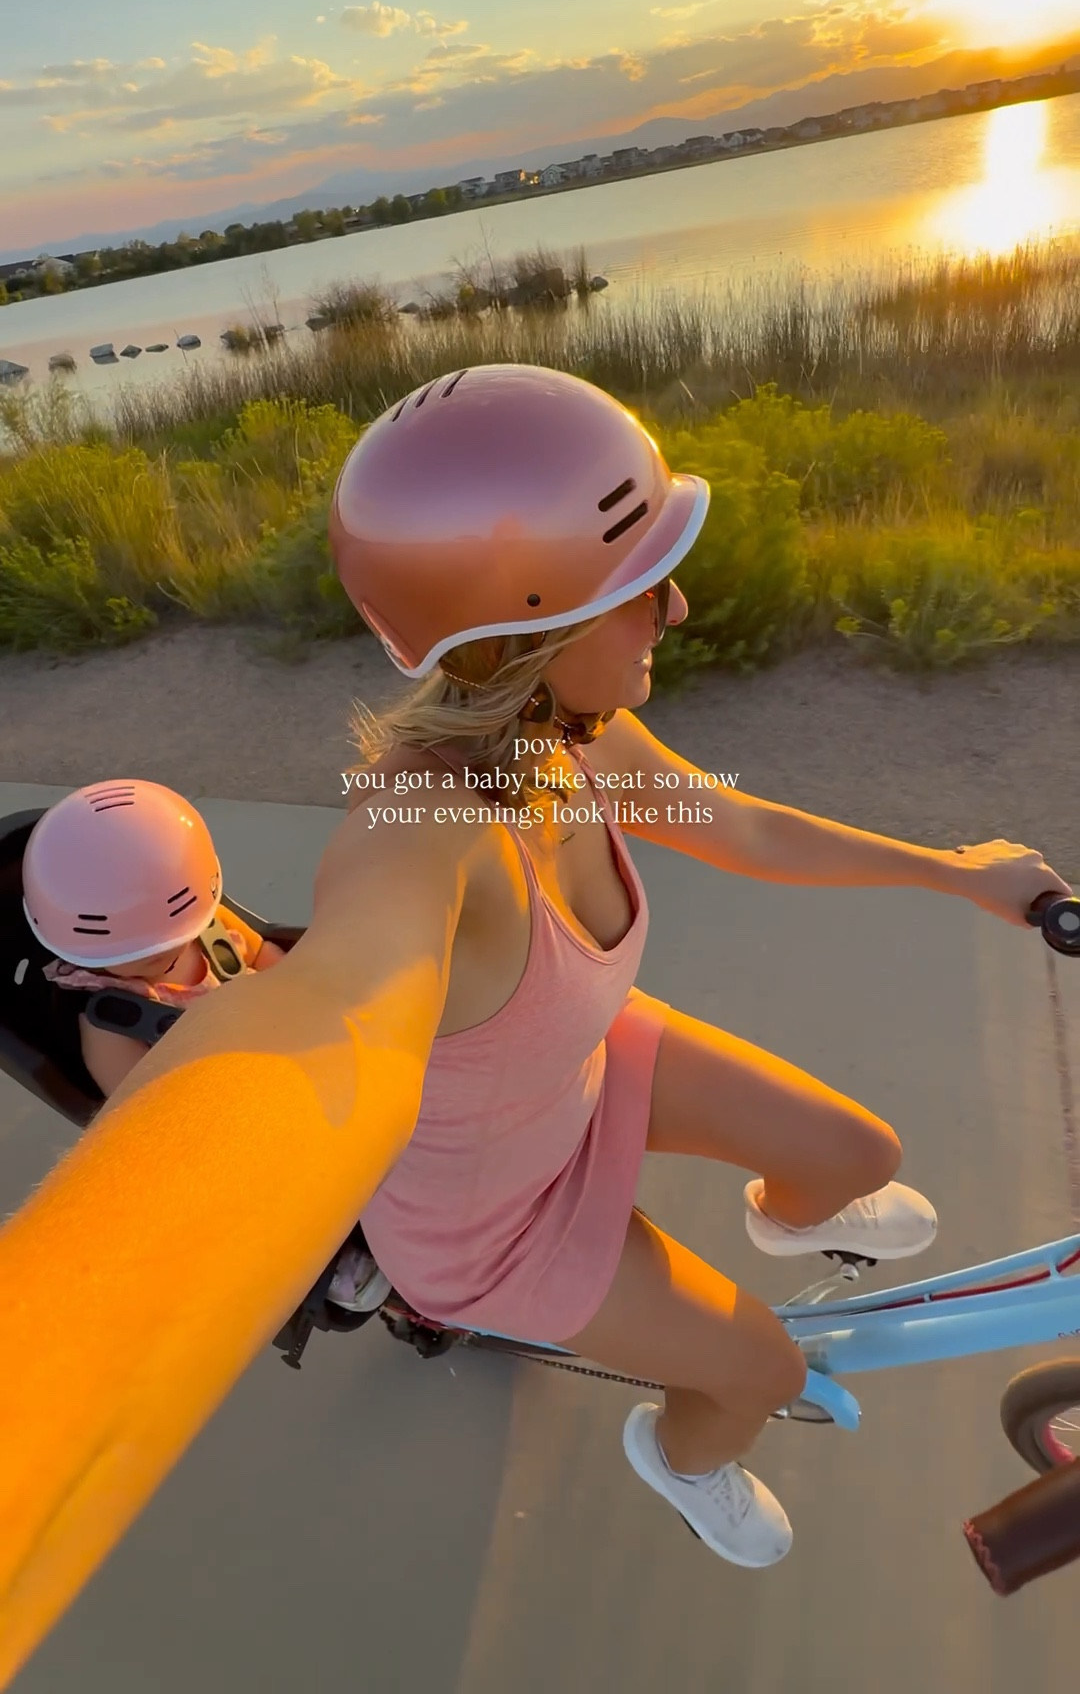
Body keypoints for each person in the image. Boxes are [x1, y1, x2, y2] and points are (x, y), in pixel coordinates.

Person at [0, 363, 1071, 1682]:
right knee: (755, 1371)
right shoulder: (420, 834)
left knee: (858, 1154)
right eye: (641, 587)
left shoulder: (578, 730)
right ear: (529, 620)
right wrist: (47, 1383)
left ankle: (793, 1221)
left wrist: (959, 874)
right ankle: (684, 1458)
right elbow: (330, 1015)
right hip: (490, 1220)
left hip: (581, 1068)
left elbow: (733, 823)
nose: (677, 605)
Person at [21, 779, 286, 1098]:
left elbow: (266, 957)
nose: (164, 947)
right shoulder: (110, 1020)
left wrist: (304, 998)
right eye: (134, 946)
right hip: (229, 1099)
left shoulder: (206, 926)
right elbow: (140, 1105)